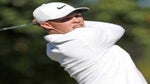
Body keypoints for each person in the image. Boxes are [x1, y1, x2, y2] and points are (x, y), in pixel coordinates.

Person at [32, 2, 148, 84]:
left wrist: (52, 24)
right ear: (46, 25)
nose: (77, 20)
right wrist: (79, 24)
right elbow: (117, 29)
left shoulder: (51, 49)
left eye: (77, 15)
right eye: (65, 18)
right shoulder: (85, 38)